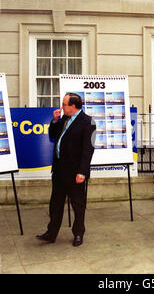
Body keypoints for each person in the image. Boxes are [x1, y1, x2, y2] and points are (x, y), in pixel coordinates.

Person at [36, 93, 96, 246]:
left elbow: (88, 150)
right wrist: (55, 121)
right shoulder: (64, 118)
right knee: (55, 204)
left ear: (73, 106)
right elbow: (52, 135)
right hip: (59, 170)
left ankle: (78, 234)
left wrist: (82, 172)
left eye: (64, 104)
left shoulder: (89, 122)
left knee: (77, 205)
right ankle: (51, 233)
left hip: (75, 172)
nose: (61, 107)